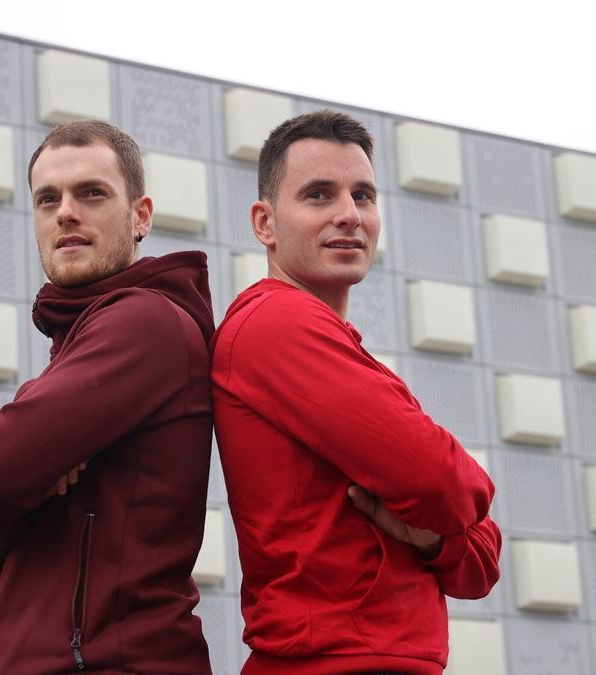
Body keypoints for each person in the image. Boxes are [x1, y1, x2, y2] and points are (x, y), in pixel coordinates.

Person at [211, 110, 501, 675]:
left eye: (363, 196)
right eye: (319, 195)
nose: (349, 215)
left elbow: (480, 569)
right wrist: (445, 517)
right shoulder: (278, 324)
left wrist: (431, 537)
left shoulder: (339, 347)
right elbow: (445, 483)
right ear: (265, 223)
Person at [0, 120, 214, 674]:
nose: (65, 211)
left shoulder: (145, 321)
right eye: (46, 199)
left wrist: (13, 474)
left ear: (141, 216)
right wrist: (29, 479)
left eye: (91, 192)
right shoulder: (69, 354)